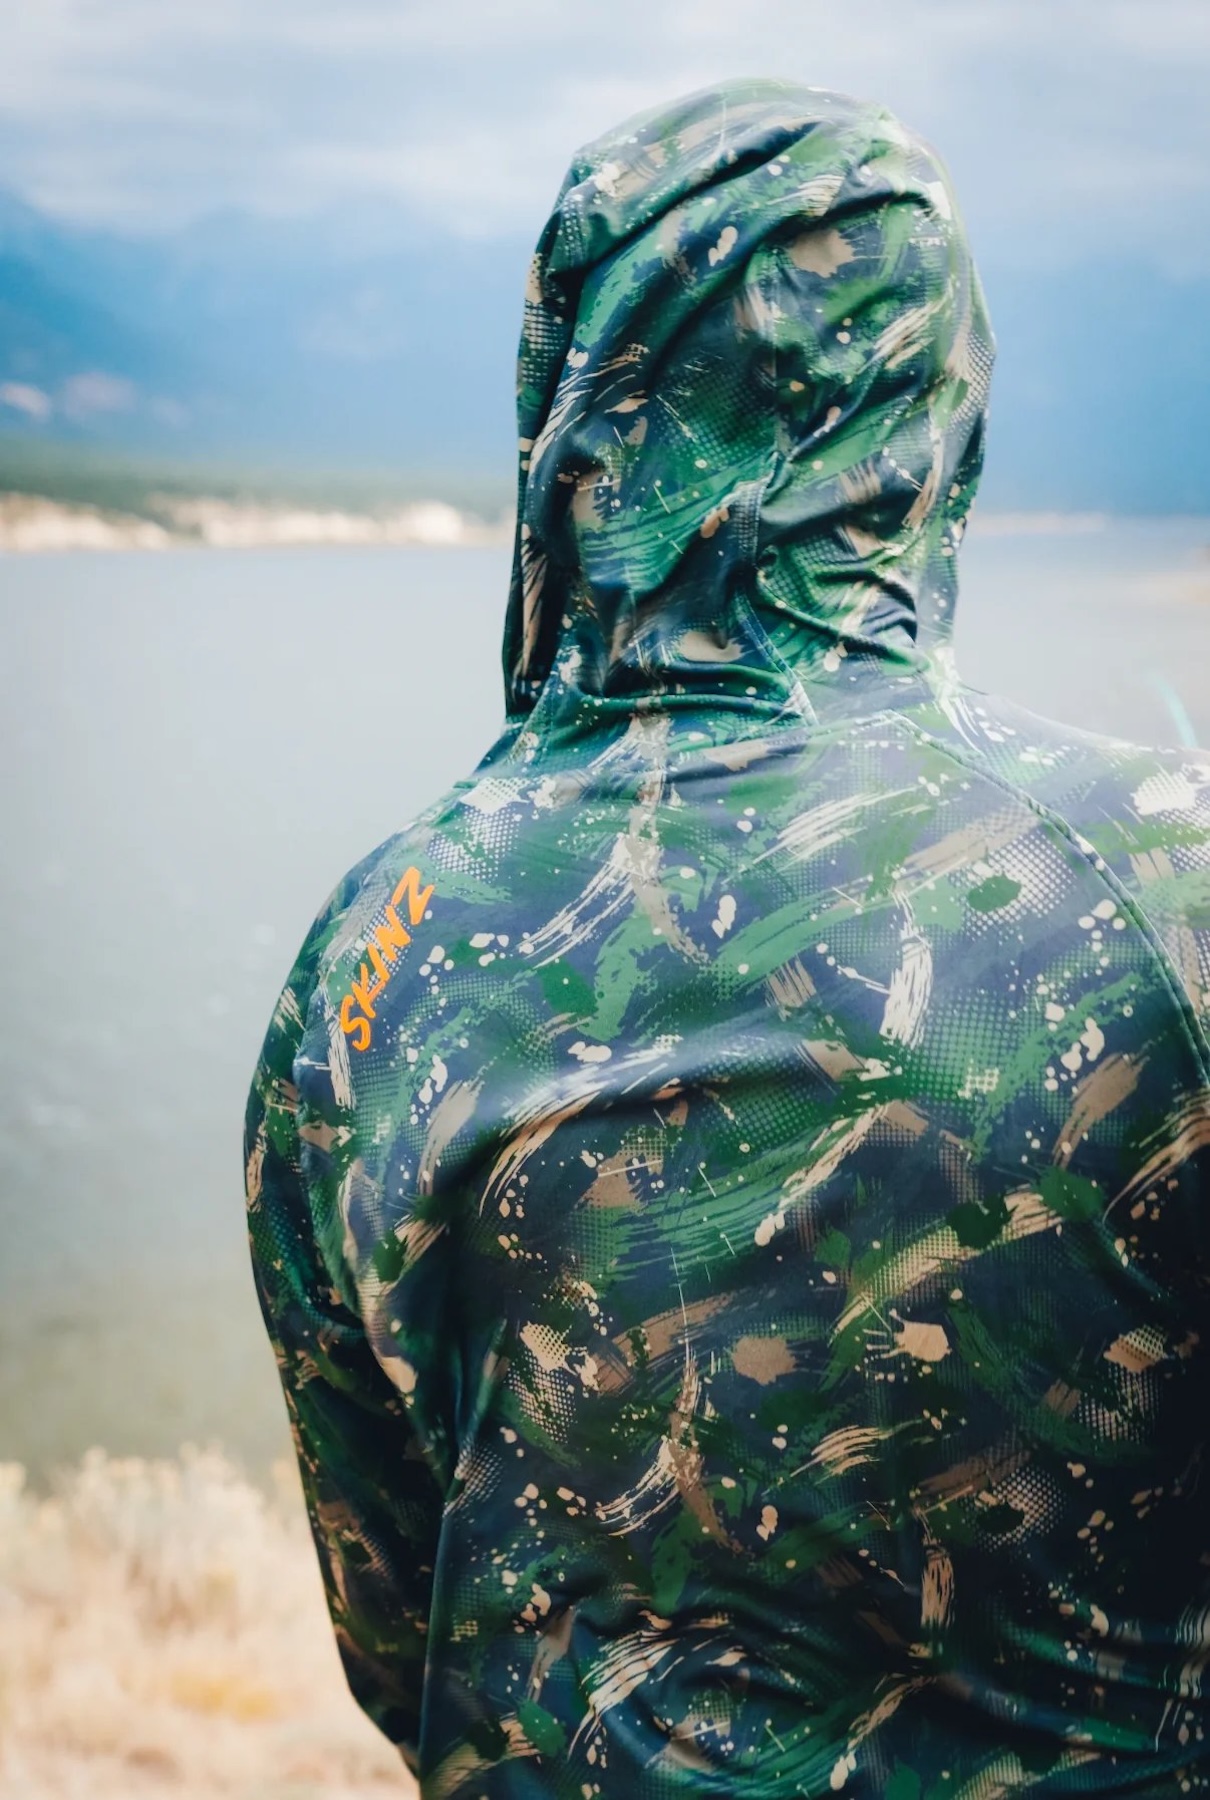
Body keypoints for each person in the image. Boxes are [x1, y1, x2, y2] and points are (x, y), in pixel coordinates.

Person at [245, 79, 1210, 1798]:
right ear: (937, 416)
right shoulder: (1161, 874)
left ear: (574, 410)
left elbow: (394, 1616)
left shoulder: (375, 962)